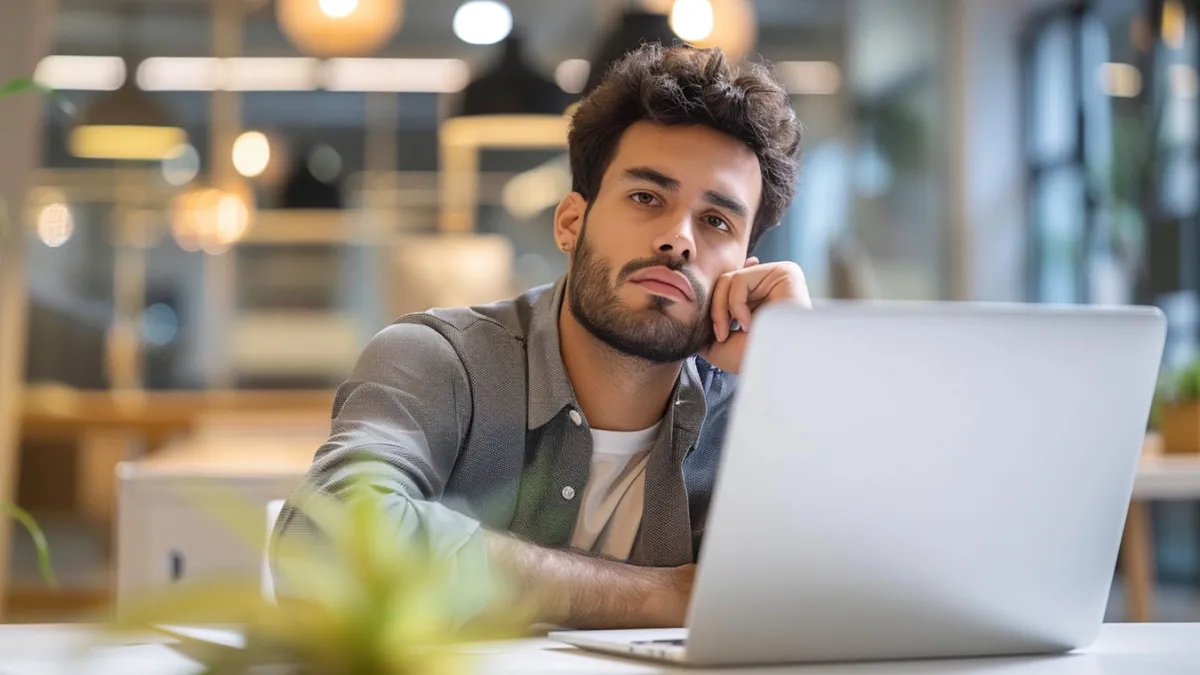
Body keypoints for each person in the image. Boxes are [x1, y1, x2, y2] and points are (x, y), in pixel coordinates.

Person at [271, 42, 809, 630]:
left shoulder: (748, 403)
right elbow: (324, 539)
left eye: (715, 221)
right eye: (646, 197)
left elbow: (860, 582)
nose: (679, 239)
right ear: (571, 224)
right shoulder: (438, 362)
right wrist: (662, 596)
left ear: (745, 266)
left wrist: (792, 376)